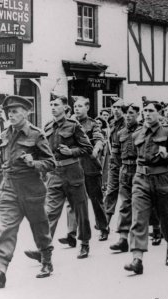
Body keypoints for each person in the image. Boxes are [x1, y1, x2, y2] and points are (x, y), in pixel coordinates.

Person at [0, 96, 55, 288]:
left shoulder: (36, 134)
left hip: (31, 187)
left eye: (15, 111)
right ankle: (1, 270)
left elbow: (51, 163)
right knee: (7, 228)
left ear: (26, 112)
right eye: (9, 112)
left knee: (39, 226)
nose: (11, 115)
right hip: (9, 187)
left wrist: (34, 163)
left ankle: (46, 261)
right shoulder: (5, 133)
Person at [24, 95, 93, 260]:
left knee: (80, 210)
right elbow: (42, 149)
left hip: (73, 172)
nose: (53, 107)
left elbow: (87, 148)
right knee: (49, 213)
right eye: (51, 105)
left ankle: (84, 243)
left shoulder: (74, 126)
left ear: (65, 108)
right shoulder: (48, 126)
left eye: (56, 104)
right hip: (54, 174)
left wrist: (72, 151)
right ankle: (43, 249)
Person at [124, 100, 168, 275]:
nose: (146, 114)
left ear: (159, 113)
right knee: (139, 218)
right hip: (141, 179)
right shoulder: (137, 134)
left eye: (150, 111)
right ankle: (137, 259)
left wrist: (167, 155)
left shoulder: (167, 131)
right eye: (145, 111)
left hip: (162, 178)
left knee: (166, 217)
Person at [58, 97, 109, 246]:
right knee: (73, 201)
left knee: (96, 199)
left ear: (87, 108)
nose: (77, 108)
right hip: (74, 167)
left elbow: (99, 139)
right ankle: (71, 234)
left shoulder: (92, 124)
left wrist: (96, 149)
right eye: (75, 106)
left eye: (80, 106)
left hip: (90, 167)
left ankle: (103, 227)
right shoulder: (68, 124)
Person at [109, 103, 141, 253]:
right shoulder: (121, 133)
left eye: (131, 113)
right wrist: (117, 171)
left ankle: (157, 229)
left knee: (143, 203)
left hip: (139, 169)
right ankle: (123, 238)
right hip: (124, 170)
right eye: (126, 113)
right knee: (124, 205)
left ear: (137, 114)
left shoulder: (142, 131)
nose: (128, 116)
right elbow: (115, 154)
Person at [104, 97, 126, 225]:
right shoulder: (112, 124)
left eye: (119, 108)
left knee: (128, 194)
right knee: (110, 191)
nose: (116, 110)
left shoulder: (127, 124)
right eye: (114, 107)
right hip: (114, 162)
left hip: (126, 163)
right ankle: (105, 223)